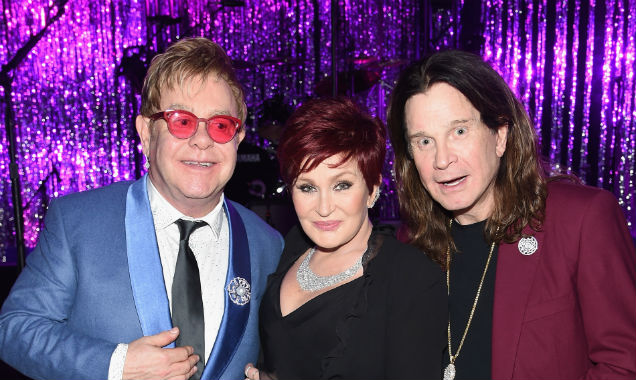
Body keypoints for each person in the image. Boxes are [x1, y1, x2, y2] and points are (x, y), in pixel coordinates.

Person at [0, 37, 283, 380]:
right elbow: (14, 328)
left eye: (221, 125)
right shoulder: (77, 223)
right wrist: (115, 365)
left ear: (237, 140)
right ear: (147, 133)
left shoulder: (268, 244)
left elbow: (277, 352)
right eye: (182, 121)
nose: (203, 139)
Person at [387, 49, 636, 380]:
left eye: (459, 131)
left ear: (500, 135)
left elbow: (624, 364)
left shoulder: (581, 220)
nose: (442, 159)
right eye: (424, 141)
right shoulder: (410, 243)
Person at [243, 98, 447, 380]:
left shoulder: (411, 278)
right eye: (307, 187)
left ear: (373, 188)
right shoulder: (292, 245)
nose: (324, 208)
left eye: (341, 185)